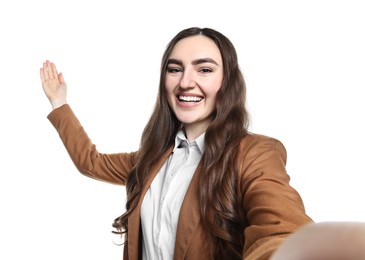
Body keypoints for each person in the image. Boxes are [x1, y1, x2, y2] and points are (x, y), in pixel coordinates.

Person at [41, 27, 365, 260]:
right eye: (175, 69)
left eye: (204, 69)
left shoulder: (254, 153)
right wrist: (59, 102)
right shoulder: (153, 157)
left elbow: (281, 230)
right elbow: (90, 162)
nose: (185, 82)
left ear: (227, 82)